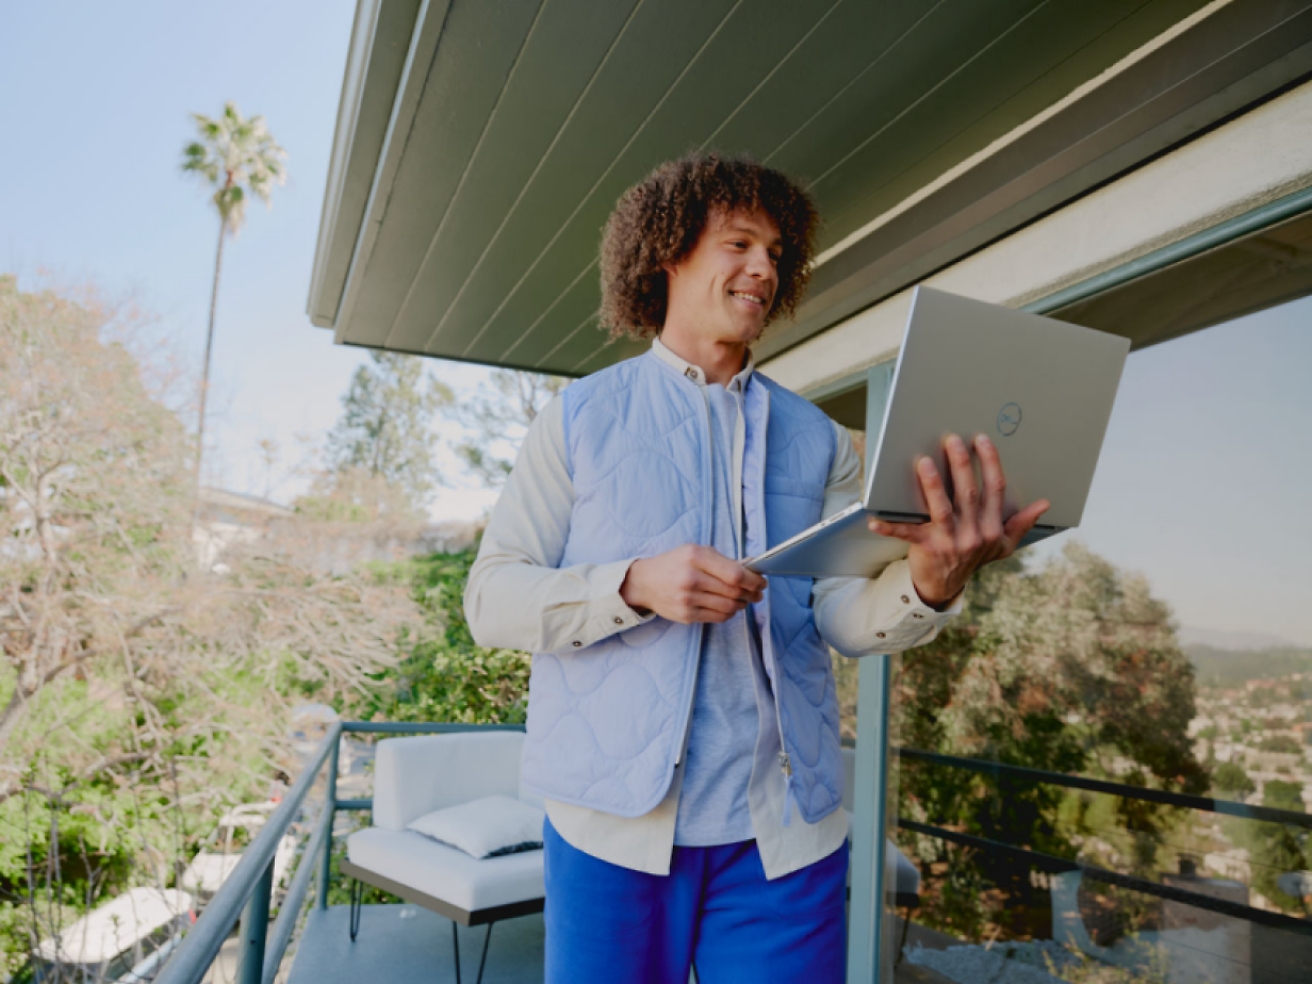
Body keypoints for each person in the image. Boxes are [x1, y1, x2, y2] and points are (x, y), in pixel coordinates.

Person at [464, 154, 1049, 984]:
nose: (765, 267)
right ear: (667, 255)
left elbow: (839, 617)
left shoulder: (817, 439)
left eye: (777, 252)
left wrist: (933, 581)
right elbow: (491, 600)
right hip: (610, 832)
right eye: (740, 243)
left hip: (784, 838)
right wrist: (634, 584)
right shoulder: (578, 418)